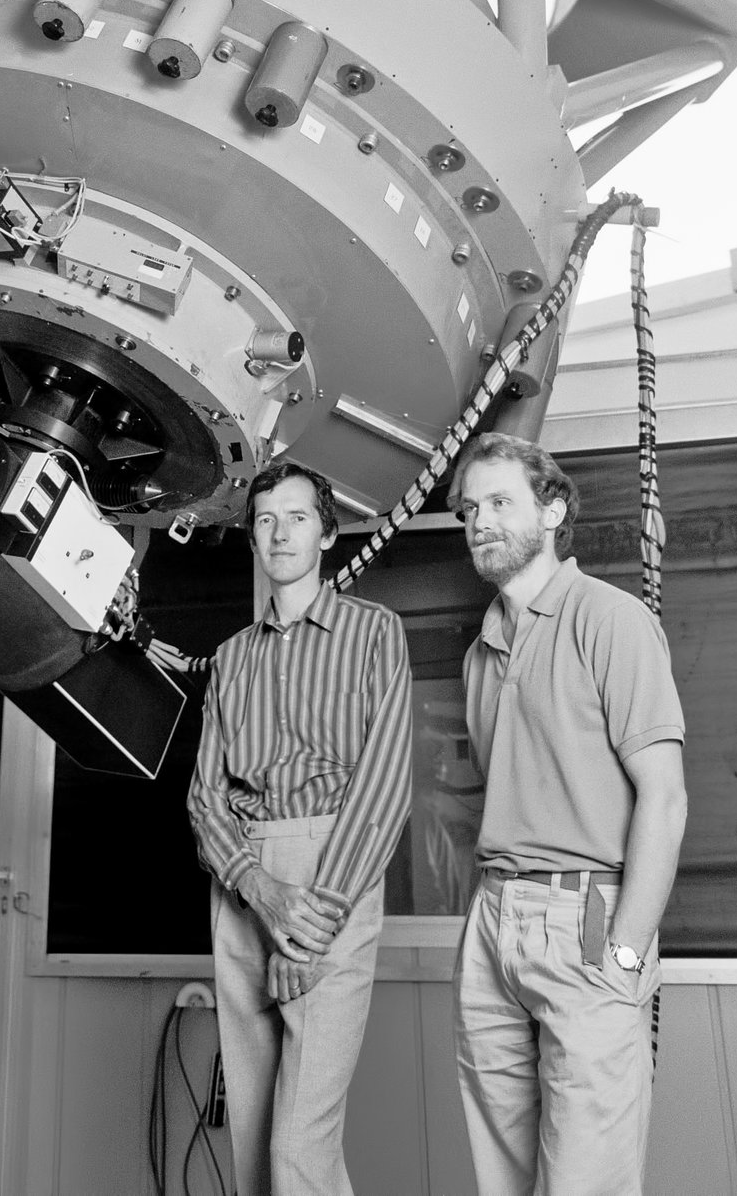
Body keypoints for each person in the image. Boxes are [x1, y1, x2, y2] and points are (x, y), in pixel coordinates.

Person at [449, 432, 688, 1196]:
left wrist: (624, 950)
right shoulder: (481, 649)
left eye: (498, 502)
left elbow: (666, 796)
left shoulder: (608, 618)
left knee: (587, 1180)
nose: (478, 521)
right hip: (493, 922)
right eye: (467, 508)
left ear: (552, 510)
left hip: (586, 916)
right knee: (505, 1178)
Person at [188, 462, 413, 1196]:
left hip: (331, 872)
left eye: (297, 516)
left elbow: (383, 784)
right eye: (264, 519)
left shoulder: (376, 632)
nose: (279, 531)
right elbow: (203, 799)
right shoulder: (229, 659)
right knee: (253, 1144)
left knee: (298, 1146)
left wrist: (308, 921)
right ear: (252, 534)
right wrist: (257, 889)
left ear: (327, 532)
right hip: (242, 883)